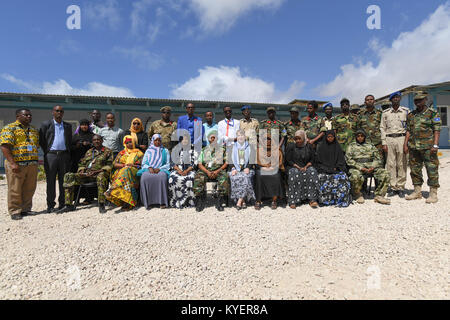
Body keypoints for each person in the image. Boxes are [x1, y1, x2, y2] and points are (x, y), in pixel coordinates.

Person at [58, 134, 114, 214]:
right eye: (94, 140)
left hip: (99, 174)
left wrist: (97, 171)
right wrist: (81, 170)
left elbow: (109, 165)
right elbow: (82, 164)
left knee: (101, 177)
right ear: (92, 141)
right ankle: (68, 205)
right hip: (87, 175)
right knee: (68, 176)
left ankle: (101, 204)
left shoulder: (107, 151)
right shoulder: (89, 151)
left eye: (98, 139)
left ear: (102, 141)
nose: (96, 141)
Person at [0, 109, 39, 220]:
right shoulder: (9, 128)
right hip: (16, 164)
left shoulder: (33, 130)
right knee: (15, 188)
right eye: (26, 115)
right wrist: (12, 163)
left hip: (31, 164)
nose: (29, 117)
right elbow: (5, 146)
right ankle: (15, 210)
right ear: (18, 116)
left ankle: (26, 209)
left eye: (30, 115)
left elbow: (36, 145)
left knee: (29, 188)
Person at [404, 92, 441, 203]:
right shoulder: (411, 115)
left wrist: (435, 144)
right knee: (415, 170)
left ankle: (433, 193)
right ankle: (417, 191)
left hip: (428, 147)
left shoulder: (432, 113)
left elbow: (437, 129)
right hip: (414, 147)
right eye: (416, 100)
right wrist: (405, 144)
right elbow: (409, 131)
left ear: (425, 100)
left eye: (420, 100)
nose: (418, 102)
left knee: (432, 169)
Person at [39, 105, 73, 213]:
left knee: (64, 181)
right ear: (52, 112)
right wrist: (48, 151)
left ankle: (62, 203)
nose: (59, 113)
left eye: (61, 111)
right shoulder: (46, 124)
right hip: (51, 155)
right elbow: (42, 140)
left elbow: (69, 140)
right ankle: (50, 205)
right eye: (57, 111)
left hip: (64, 156)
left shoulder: (67, 126)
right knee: (50, 181)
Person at [346, 129, 391, 205]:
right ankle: (357, 194)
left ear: (365, 137)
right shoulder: (351, 146)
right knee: (355, 176)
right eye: (358, 136)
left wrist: (373, 167)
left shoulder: (370, 146)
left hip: (370, 167)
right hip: (357, 167)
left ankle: (379, 195)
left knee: (385, 174)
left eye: (362, 136)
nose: (360, 138)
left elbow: (377, 158)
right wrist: (361, 168)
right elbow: (349, 160)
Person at [380, 91, 409, 197]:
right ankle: (393, 187)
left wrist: (407, 143)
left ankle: (401, 187)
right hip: (389, 139)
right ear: (391, 100)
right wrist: (384, 142)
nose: (396, 99)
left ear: (400, 99)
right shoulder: (386, 113)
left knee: (401, 163)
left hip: (401, 138)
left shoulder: (405, 111)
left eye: (397, 97)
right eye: (394, 98)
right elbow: (382, 128)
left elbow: (409, 128)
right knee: (391, 164)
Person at [105, 135, 144, 210]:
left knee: (127, 170)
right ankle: (127, 202)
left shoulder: (139, 153)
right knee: (125, 171)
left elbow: (142, 165)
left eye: (131, 142)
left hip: (134, 171)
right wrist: (124, 165)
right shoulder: (122, 153)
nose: (129, 144)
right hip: (122, 171)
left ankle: (113, 189)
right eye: (127, 142)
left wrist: (132, 165)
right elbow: (114, 164)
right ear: (124, 144)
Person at [193, 130, 229, 212]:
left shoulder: (222, 149)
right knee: (198, 177)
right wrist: (207, 172)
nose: (213, 139)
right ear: (208, 139)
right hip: (206, 170)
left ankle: (220, 201)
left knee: (224, 177)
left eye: (215, 138)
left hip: (219, 170)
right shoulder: (204, 149)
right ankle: (199, 201)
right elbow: (200, 164)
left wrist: (217, 171)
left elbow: (226, 163)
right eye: (211, 138)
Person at [315, 130, 351, 207]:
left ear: (334, 137)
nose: (330, 138)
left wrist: (336, 168)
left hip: (336, 170)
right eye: (328, 137)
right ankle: (325, 200)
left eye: (332, 137)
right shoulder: (321, 147)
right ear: (326, 137)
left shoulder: (337, 147)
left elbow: (341, 161)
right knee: (322, 178)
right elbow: (318, 162)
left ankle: (340, 199)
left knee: (343, 178)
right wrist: (326, 169)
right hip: (324, 170)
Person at [285, 130, 319, 209]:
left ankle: (312, 199)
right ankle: (293, 200)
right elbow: (288, 160)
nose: (297, 141)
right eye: (296, 139)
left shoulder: (308, 146)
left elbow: (312, 159)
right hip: (293, 166)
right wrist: (298, 167)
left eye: (299, 139)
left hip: (306, 166)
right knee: (294, 173)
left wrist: (306, 167)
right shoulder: (291, 146)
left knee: (312, 172)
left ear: (304, 138)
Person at [138, 134, 171, 209]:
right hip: (149, 169)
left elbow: (168, 163)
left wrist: (159, 168)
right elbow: (144, 163)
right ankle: (148, 202)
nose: (158, 142)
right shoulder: (148, 151)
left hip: (161, 169)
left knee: (162, 177)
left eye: (159, 140)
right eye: (156, 140)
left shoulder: (165, 151)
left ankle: (162, 202)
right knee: (144, 177)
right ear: (152, 141)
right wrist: (149, 167)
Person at [254, 132, 285, 210]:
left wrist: (273, 167)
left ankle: (274, 200)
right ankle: (258, 200)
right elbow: (256, 164)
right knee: (259, 175)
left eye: (269, 139)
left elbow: (280, 163)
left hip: (273, 169)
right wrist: (263, 167)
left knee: (277, 176)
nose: (267, 141)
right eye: (265, 139)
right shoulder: (258, 150)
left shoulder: (277, 150)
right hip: (262, 169)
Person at [168, 133, 199, 209]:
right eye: (183, 139)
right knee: (172, 179)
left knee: (190, 179)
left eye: (186, 139)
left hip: (190, 170)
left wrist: (186, 171)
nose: (184, 141)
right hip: (178, 170)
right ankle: (175, 202)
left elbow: (194, 163)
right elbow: (172, 163)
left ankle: (189, 202)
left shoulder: (193, 149)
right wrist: (179, 170)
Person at [228, 130, 256, 209]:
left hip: (247, 168)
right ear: (236, 137)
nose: (240, 137)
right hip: (235, 169)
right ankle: (243, 200)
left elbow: (252, 159)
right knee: (234, 177)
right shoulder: (232, 147)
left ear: (245, 137)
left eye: (242, 135)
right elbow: (229, 160)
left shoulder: (250, 146)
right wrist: (233, 168)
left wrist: (248, 167)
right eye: (238, 135)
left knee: (246, 177)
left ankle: (239, 200)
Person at [357, 95, 383, 160]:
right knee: (366, 162)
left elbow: (383, 127)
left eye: (371, 99)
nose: (369, 101)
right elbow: (358, 128)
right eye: (367, 100)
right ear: (365, 102)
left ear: (374, 101)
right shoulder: (360, 114)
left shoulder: (379, 113)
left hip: (378, 143)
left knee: (380, 162)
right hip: (365, 143)